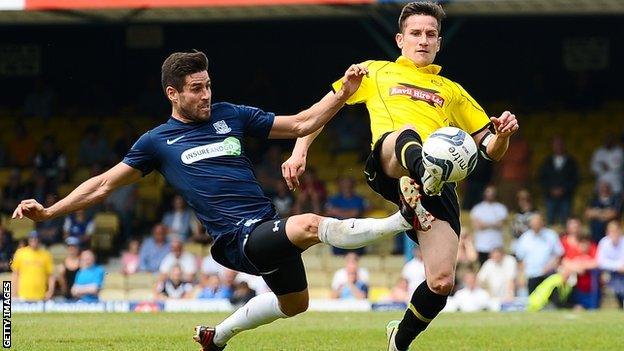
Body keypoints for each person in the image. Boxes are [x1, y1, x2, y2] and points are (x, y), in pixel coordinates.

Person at [12, 50, 422, 351]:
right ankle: (402, 220)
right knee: (309, 225)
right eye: (196, 89)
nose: (206, 94)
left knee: (295, 304)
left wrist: (342, 93)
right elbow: (102, 185)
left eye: (208, 85)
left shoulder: (232, 114)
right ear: (173, 94)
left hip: (263, 224)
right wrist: (50, 210)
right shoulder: (156, 142)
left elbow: (301, 123)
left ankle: (216, 336)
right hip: (234, 239)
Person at [282, 2, 518, 350]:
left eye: (431, 34)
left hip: (437, 187)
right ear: (399, 39)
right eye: (416, 33)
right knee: (407, 133)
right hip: (391, 163)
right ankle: (425, 176)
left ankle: (399, 340)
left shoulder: (452, 90)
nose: (423, 40)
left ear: (439, 42)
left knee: (440, 283)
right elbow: (321, 110)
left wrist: (504, 134)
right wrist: (299, 150)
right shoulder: (374, 72)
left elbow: (489, 149)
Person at [515, 214, 563, 294]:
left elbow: (558, 254)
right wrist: (521, 275)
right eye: (533, 223)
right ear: (530, 224)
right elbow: (520, 259)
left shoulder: (551, 235)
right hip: (530, 275)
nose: (535, 225)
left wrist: (550, 266)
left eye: (538, 223)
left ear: (542, 223)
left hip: (548, 274)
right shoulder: (524, 238)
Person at [539, 136, 578, 225]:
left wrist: (563, 189)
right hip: (550, 197)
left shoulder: (571, 162)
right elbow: (542, 179)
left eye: (560, 144)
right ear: (552, 146)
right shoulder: (547, 162)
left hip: (566, 197)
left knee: (565, 222)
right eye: (556, 145)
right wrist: (551, 190)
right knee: (550, 221)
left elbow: (574, 179)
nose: (558, 147)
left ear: (564, 146)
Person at [10, 231, 55, 301]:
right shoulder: (20, 253)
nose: (34, 240)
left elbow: (50, 276)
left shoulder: (46, 255)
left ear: (39, 240)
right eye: (32, 238)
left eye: (36, 238)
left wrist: (50, 291)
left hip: (40, 295)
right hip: (22, 295)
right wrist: (13, 293)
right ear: (28, 240)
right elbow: (15, 274)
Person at [470, 186, 508, 265]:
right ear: (484, 194)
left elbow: (501, 224)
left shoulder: (501, 208)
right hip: (482, 245)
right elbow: (478, 225)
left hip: (497, 245)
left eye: (492, 193)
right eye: (488, 192)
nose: (490, 195)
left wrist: (485, 224)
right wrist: (494, 223)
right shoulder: (477, 208)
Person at [596, 220, 624, 308]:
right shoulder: (604, 242)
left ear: (620, 231)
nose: (614, 233)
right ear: (607, 232)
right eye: (611, 231)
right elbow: (600, 262)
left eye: (616, 230)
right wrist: (617, 267)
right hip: (609, 273)